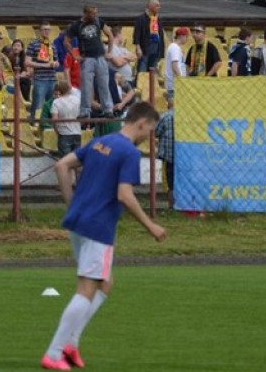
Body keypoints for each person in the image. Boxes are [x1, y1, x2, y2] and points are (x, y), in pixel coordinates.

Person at [40, 102, 166, 371]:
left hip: (77, 221)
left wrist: (71, 202)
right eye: (150, 130)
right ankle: (54, 353)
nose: (149, 137)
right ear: (141, 123)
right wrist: (150, 226)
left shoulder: (101, 142)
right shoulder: (129, 153)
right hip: (98, 225)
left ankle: (72, 343)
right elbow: (124, 195)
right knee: (87, 287)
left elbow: (62, 166)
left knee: (105, 282)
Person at [65, 4, 114, 118]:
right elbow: (67, 41)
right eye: (93, 13)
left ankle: (108, 109)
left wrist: (109, 52)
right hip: (87, 58)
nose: (95, 15)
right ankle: (85, 111)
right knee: (86, 85)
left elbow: (110, 35)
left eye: (96, 13)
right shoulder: (77, 25)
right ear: (86, 13)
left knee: (104, 84)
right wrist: (75, 56)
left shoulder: (98, 22)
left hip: (100, 56)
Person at [26, 21, 59, 123]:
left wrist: (56, 64)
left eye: (48, 30)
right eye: (44, 29)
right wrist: (44, 65)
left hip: (52, 78)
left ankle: (48, 126)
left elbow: (57, 61)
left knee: (52, 105)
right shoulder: (33, 44)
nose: (47, 32)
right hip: (40, 79)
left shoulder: (52, 45)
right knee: (38, 105)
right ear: (40, 31)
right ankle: (34, 123)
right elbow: (27, 62)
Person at [51, 80, 82, 157]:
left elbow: (54, 120)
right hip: (77, 132)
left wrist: (56, 130)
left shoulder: (56, 102)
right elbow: (81, 115)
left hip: (64, 133)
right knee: (75, 160)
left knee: (65, 160)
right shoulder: (77, 100)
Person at [154, 96, 175, 208]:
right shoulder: (185, 116)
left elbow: (156, 132)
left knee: (169, 180)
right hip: (183, 153)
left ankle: (171, 204)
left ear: (168, 105)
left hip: (168, 153)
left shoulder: (165, 116)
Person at [133, 0, 162, 73]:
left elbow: (160, 34)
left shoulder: (157, 19)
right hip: (144, 49)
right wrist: (138, 48)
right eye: (157, 5)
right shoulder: (141, 19)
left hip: (155, 49)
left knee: (153, 71)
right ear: (150, 6)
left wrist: (161, 51)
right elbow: (137, 34)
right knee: (142, 71)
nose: (159, 7)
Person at [163, 27, 189, 100]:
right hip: (175, 85)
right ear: (181, 36)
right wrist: (181, 80)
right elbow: (175, 66)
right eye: (186, 36)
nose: (187, 39)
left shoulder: (175, 47)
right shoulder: (174, 48)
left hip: (175, 84)